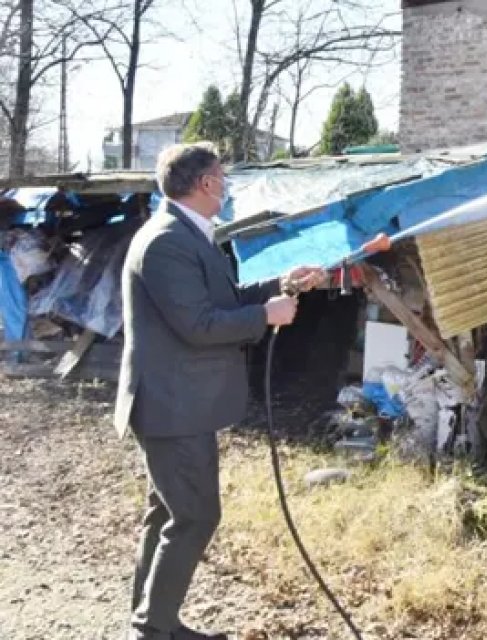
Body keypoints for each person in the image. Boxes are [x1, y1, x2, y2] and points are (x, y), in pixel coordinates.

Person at [114, 142, 325, 640]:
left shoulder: (186, 235)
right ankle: (153, 629)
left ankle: (151, 619)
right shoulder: (166, 241)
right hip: (171, 405)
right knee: (195, 515)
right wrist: (264, 316)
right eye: (223, 178)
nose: (227, 187)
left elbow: (221, 298)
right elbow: (199, 324)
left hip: (178, 403)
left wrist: (283, 285)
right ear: (205, 184)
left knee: (168, 511)